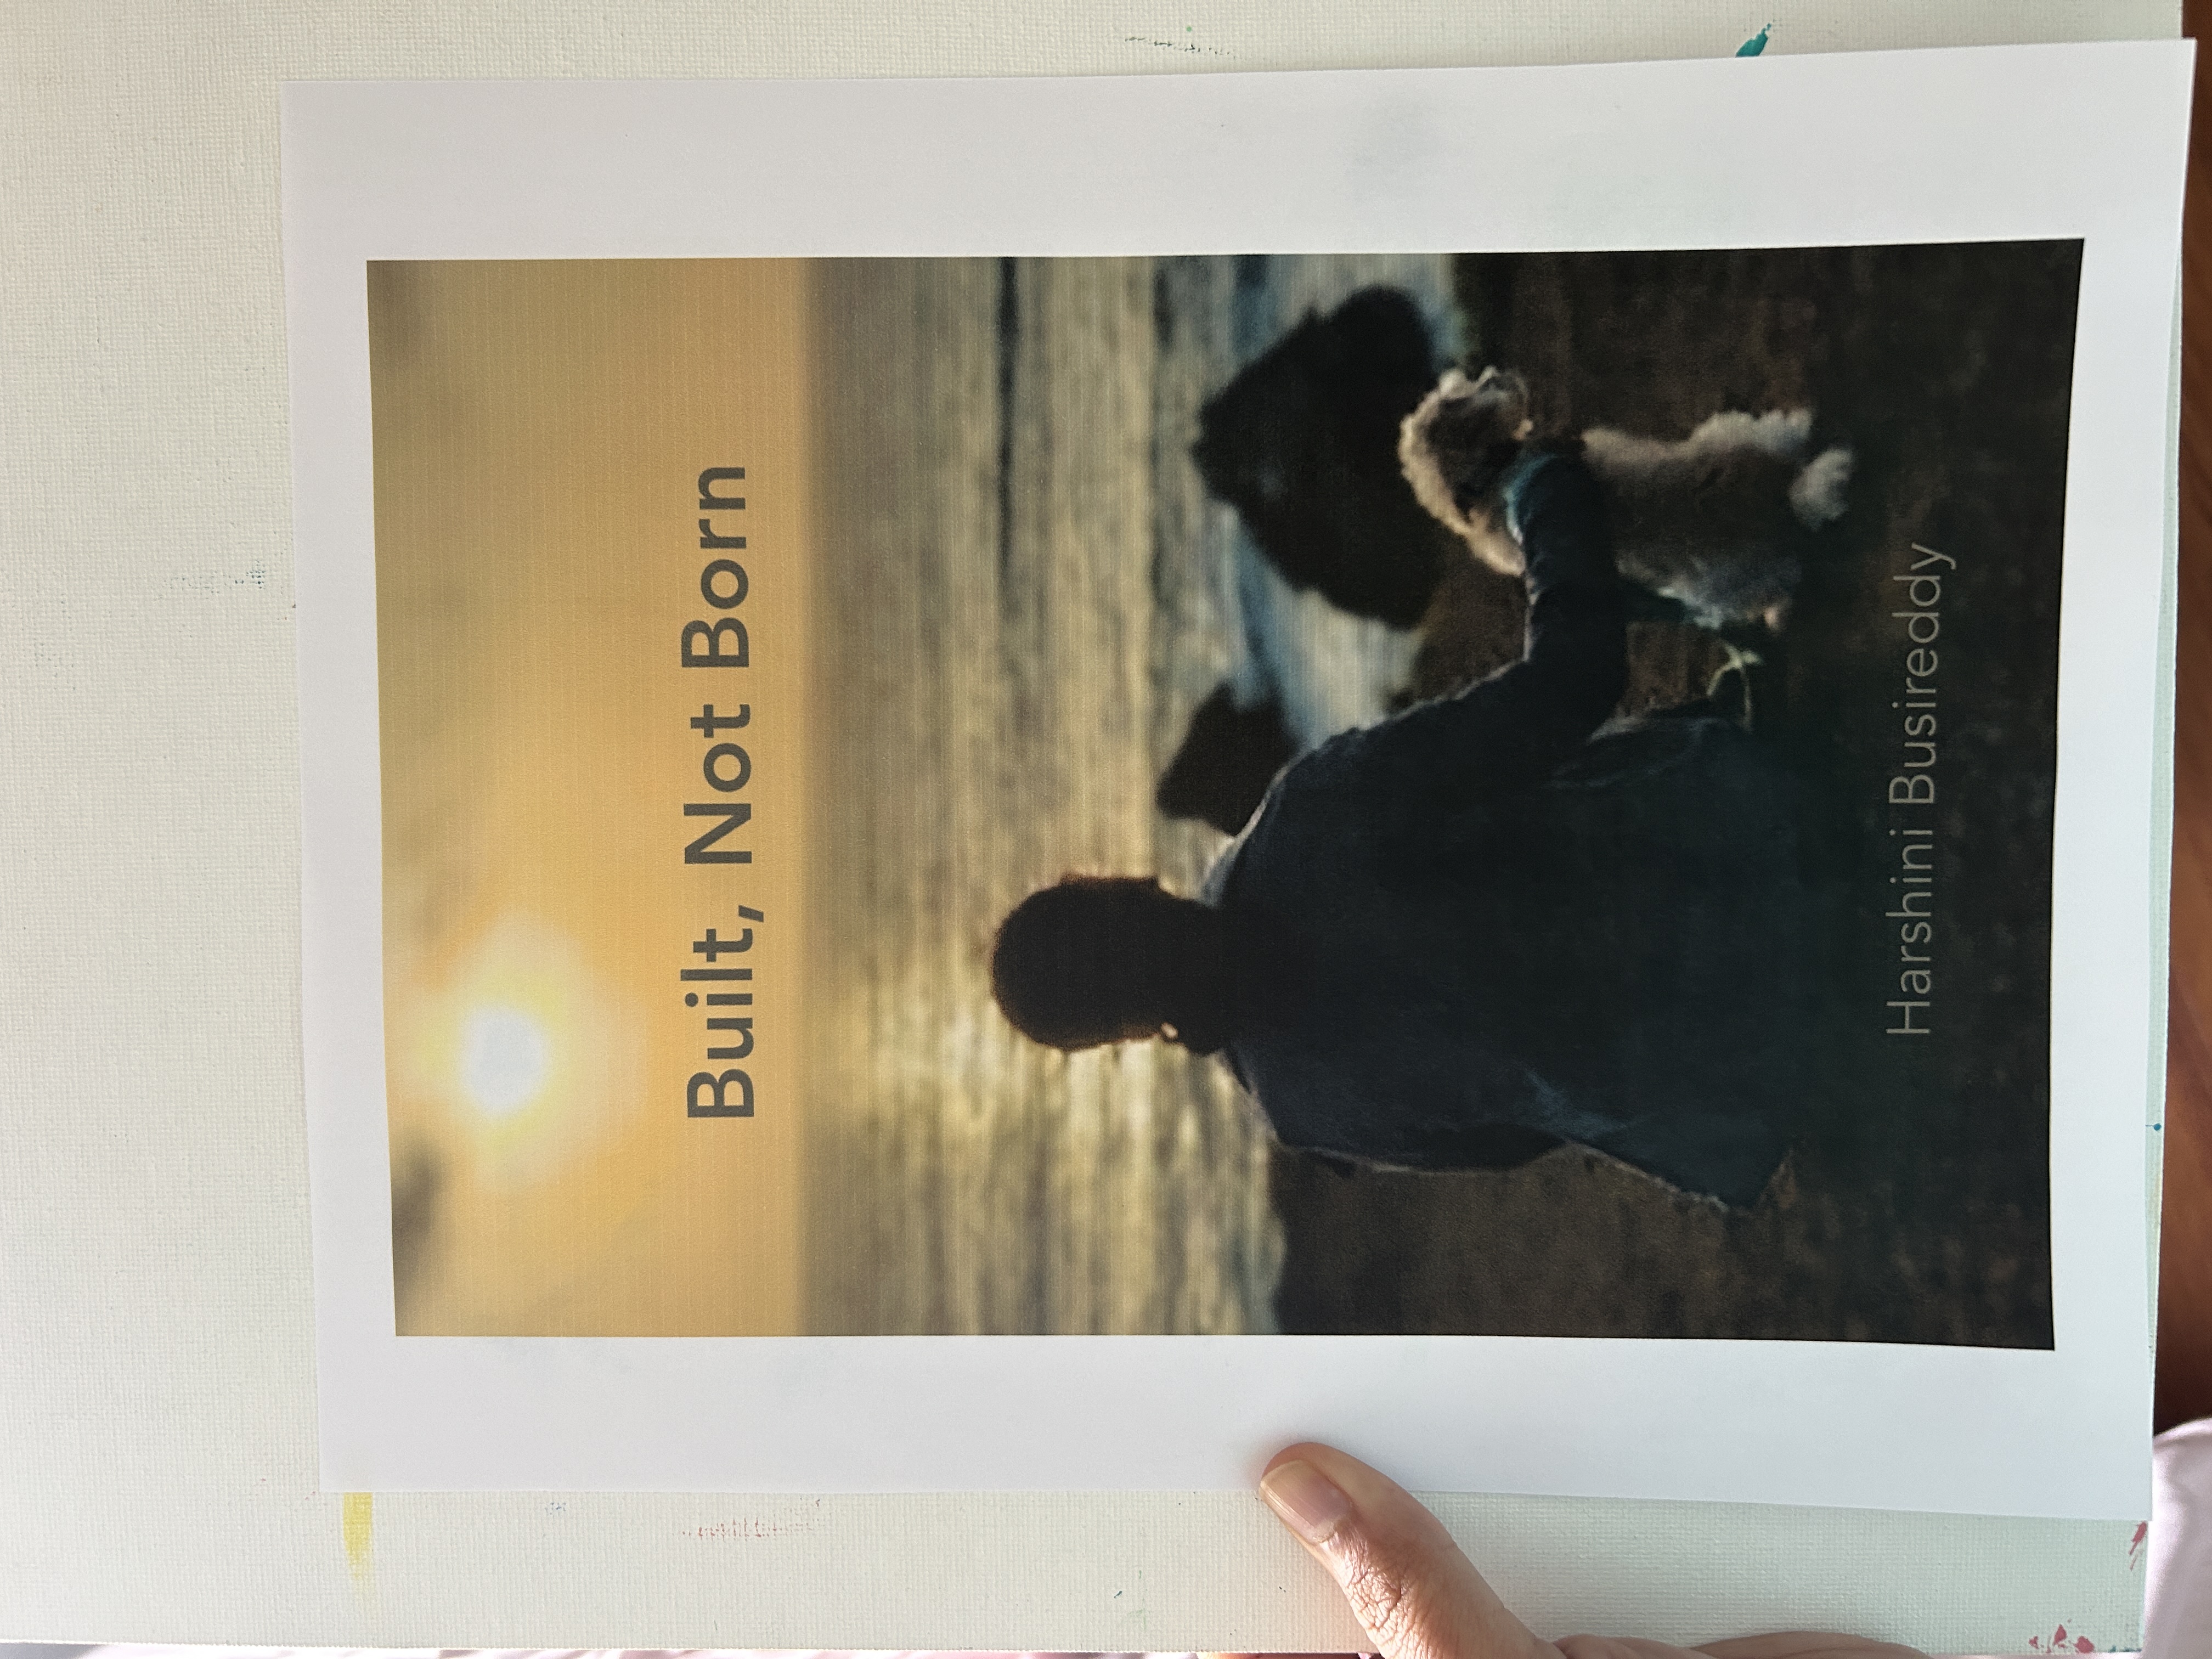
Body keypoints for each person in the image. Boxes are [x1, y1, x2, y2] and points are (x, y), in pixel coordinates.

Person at [992, 445, 1830, 1205]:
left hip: (1761, 1082)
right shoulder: (1311, 815)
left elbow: (1511, 1146)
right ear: (1128, 885)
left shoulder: (1303, 1109)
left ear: (1123, 1035)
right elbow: (1576, 679)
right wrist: (1543, 491)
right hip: (1778, 844)